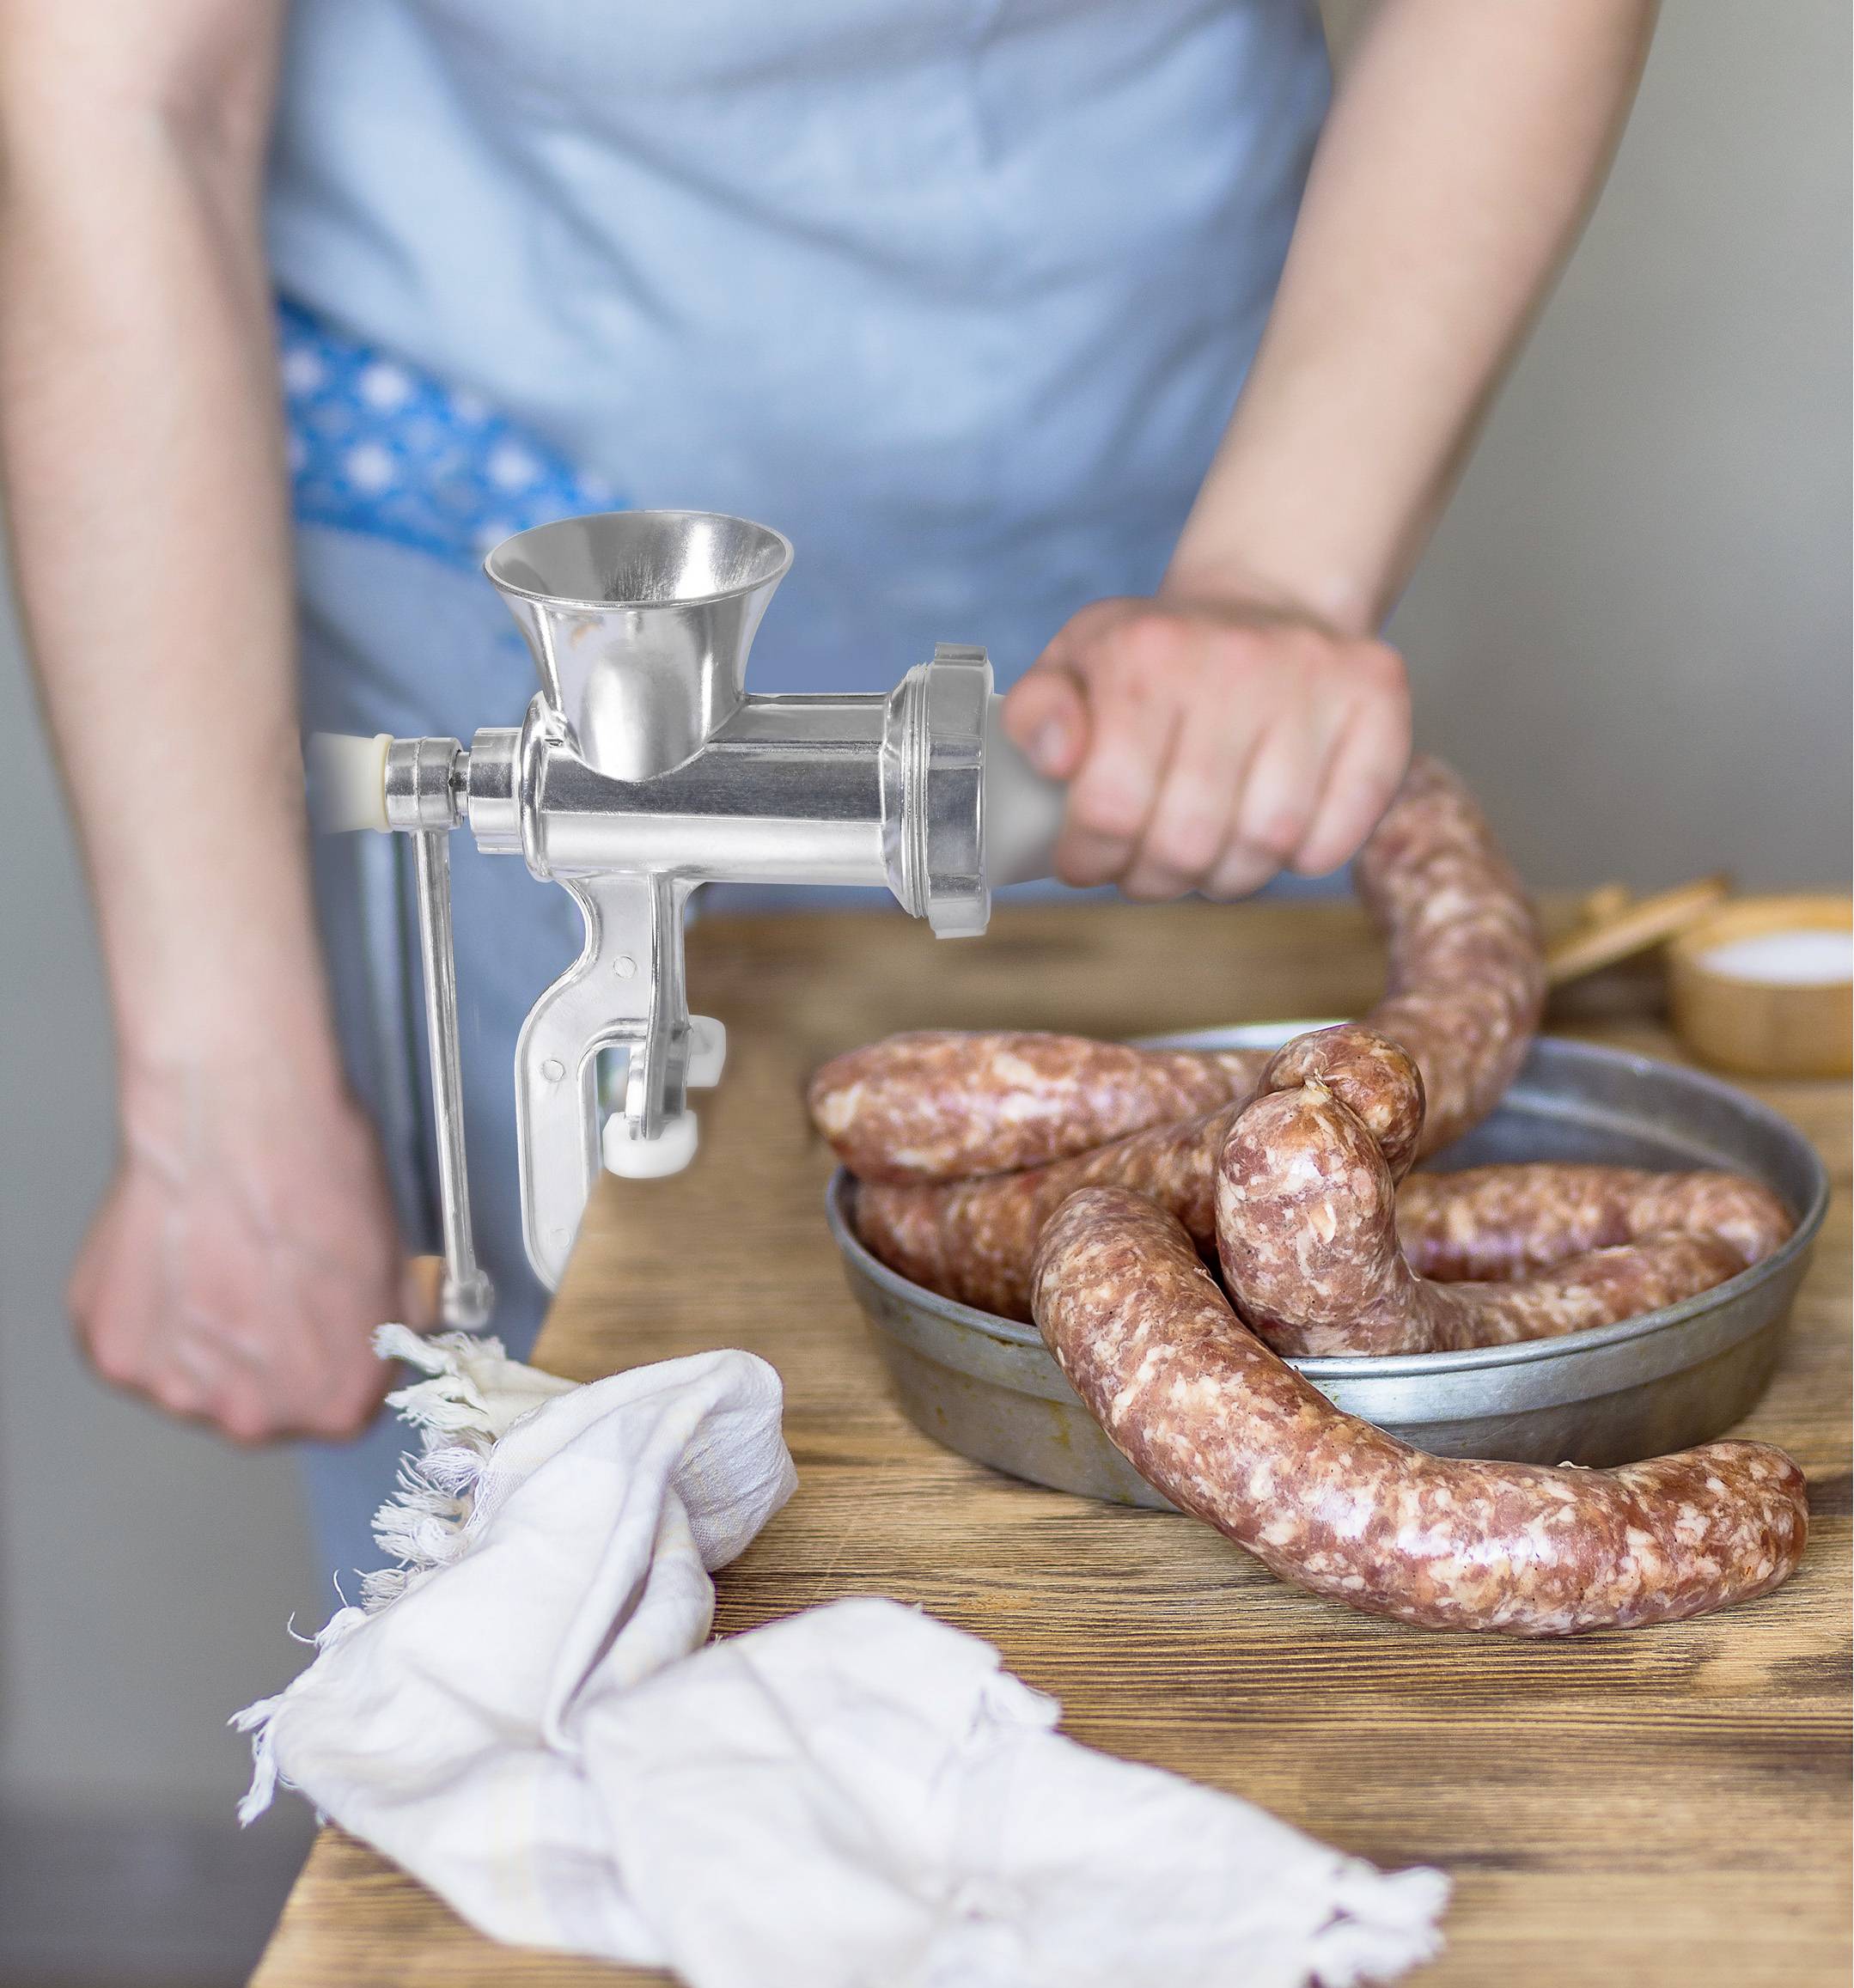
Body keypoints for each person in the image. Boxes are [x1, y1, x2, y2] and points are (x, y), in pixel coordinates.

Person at [0, 0, 1656, 1574]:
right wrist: (222, 1095)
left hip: (1180, 463)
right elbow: (123, 96)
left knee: (1256, 1323)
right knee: (557, 1508)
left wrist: (1277, 577)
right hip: (515, 517)